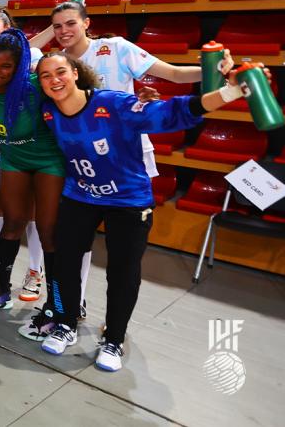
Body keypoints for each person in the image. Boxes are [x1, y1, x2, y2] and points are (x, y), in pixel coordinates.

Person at [35, 52, 257, 372]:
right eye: (46, 75)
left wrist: (229, 91)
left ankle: (114, 339)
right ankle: (66, 322)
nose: (54, 80)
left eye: (61, 72)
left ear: (76, 73)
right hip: (81, 195)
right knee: (64, 259)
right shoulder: (47, 112)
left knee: (123, 270)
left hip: (128, 200)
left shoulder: (114, 104)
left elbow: (171, 114)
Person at [49, 0, 233, 314]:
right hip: (84, 161)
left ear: (87, 23)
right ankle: (72, 306)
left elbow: (173, 74)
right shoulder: (57, 66)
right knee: (75, 244)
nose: (64, 31)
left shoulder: (115, 48)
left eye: (70, 23)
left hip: (127, 156)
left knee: (124, 248)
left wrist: (213, 68)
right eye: (57, 26)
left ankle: (115, 324)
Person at [0, 31, 65, 331]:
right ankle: (0, 288)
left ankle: (57, 305)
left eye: (5, 66)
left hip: (48, 158)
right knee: (11, 224)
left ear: (19, 67)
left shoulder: (36, 87)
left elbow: (82, 96)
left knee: (48, 231)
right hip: (12, 156)